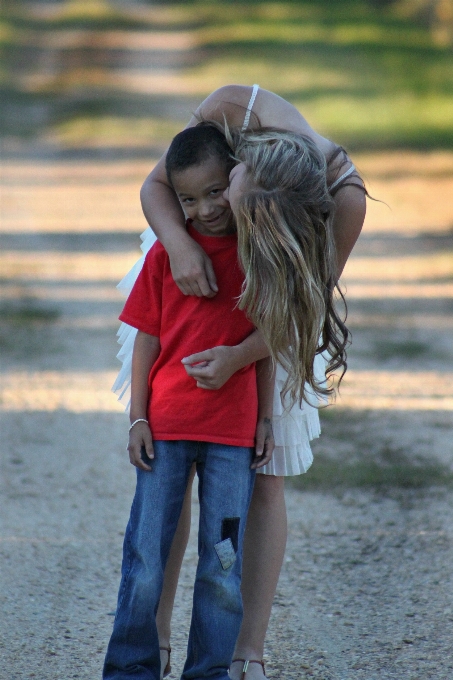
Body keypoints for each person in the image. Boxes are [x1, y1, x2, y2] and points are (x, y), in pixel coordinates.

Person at [116, 85, 366, 679]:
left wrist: (238, 357)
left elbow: (303, 307)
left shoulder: (345, 200)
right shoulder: (236, 106)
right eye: (235, 193)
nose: (227, 210)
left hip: (274, 310)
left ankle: (243, 650)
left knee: (265, 473)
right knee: (170, 460)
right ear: (242, 162)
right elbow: (158, 185)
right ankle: (153, 636)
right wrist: (179, 245)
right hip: (187, 277)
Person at [103, 124, 276, 680]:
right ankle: (130, 669)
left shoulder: (261, 256)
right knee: (146, 560)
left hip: (232, 435)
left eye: (215, 191)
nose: (204, 209)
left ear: (239, 180)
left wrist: (267, 418)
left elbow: (271, 344)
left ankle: (210, 671)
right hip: (168, 428)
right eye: (187, 199)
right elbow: (145, 339)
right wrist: (137, 416)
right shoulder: (166, 258)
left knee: (221, 568)